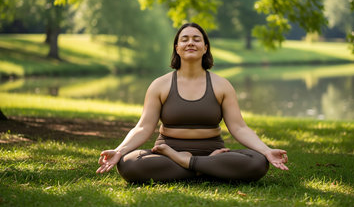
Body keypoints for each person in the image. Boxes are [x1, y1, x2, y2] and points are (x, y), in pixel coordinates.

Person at [96, 22, 288, 182]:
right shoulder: (159, 85)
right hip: (167, 151)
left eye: (197, 39)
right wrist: (119, 150)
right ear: (177, 48)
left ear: (205, 48)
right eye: (184, 39)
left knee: (258, 161)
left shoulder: (222, 85)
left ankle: (188, 164)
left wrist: (267, 150)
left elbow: (239, 128)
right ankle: (206, 169)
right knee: (129, 163)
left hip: (212, 152)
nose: (190, 43)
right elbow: (143, 127)